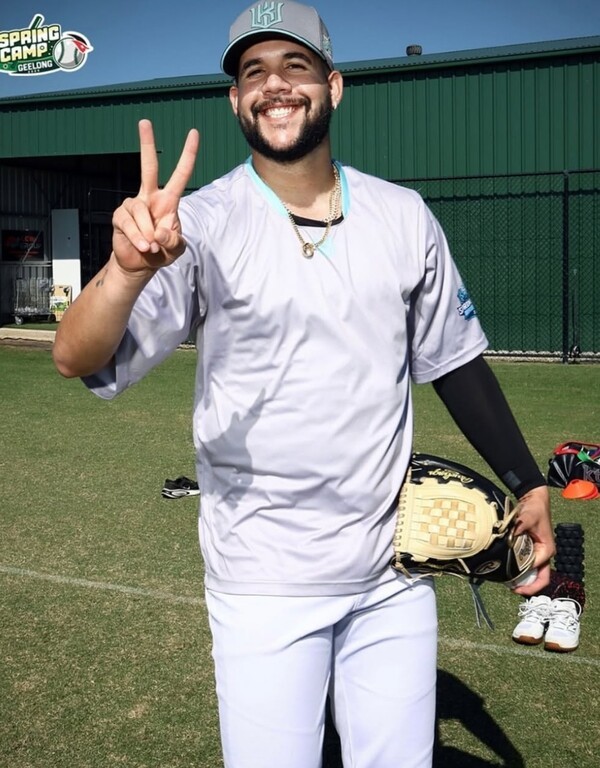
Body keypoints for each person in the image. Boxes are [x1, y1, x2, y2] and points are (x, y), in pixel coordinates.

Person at [52, 2, 555, 766]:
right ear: (234, 99)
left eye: (295, 66)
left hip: (392, 573)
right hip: (263, 581)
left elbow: (452, 360)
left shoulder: (402, 215)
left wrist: (527, 482)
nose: (274, 85)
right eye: (253, 71)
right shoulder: (200, 224)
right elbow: (76, 357)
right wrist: (125, 271)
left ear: (334, 86)